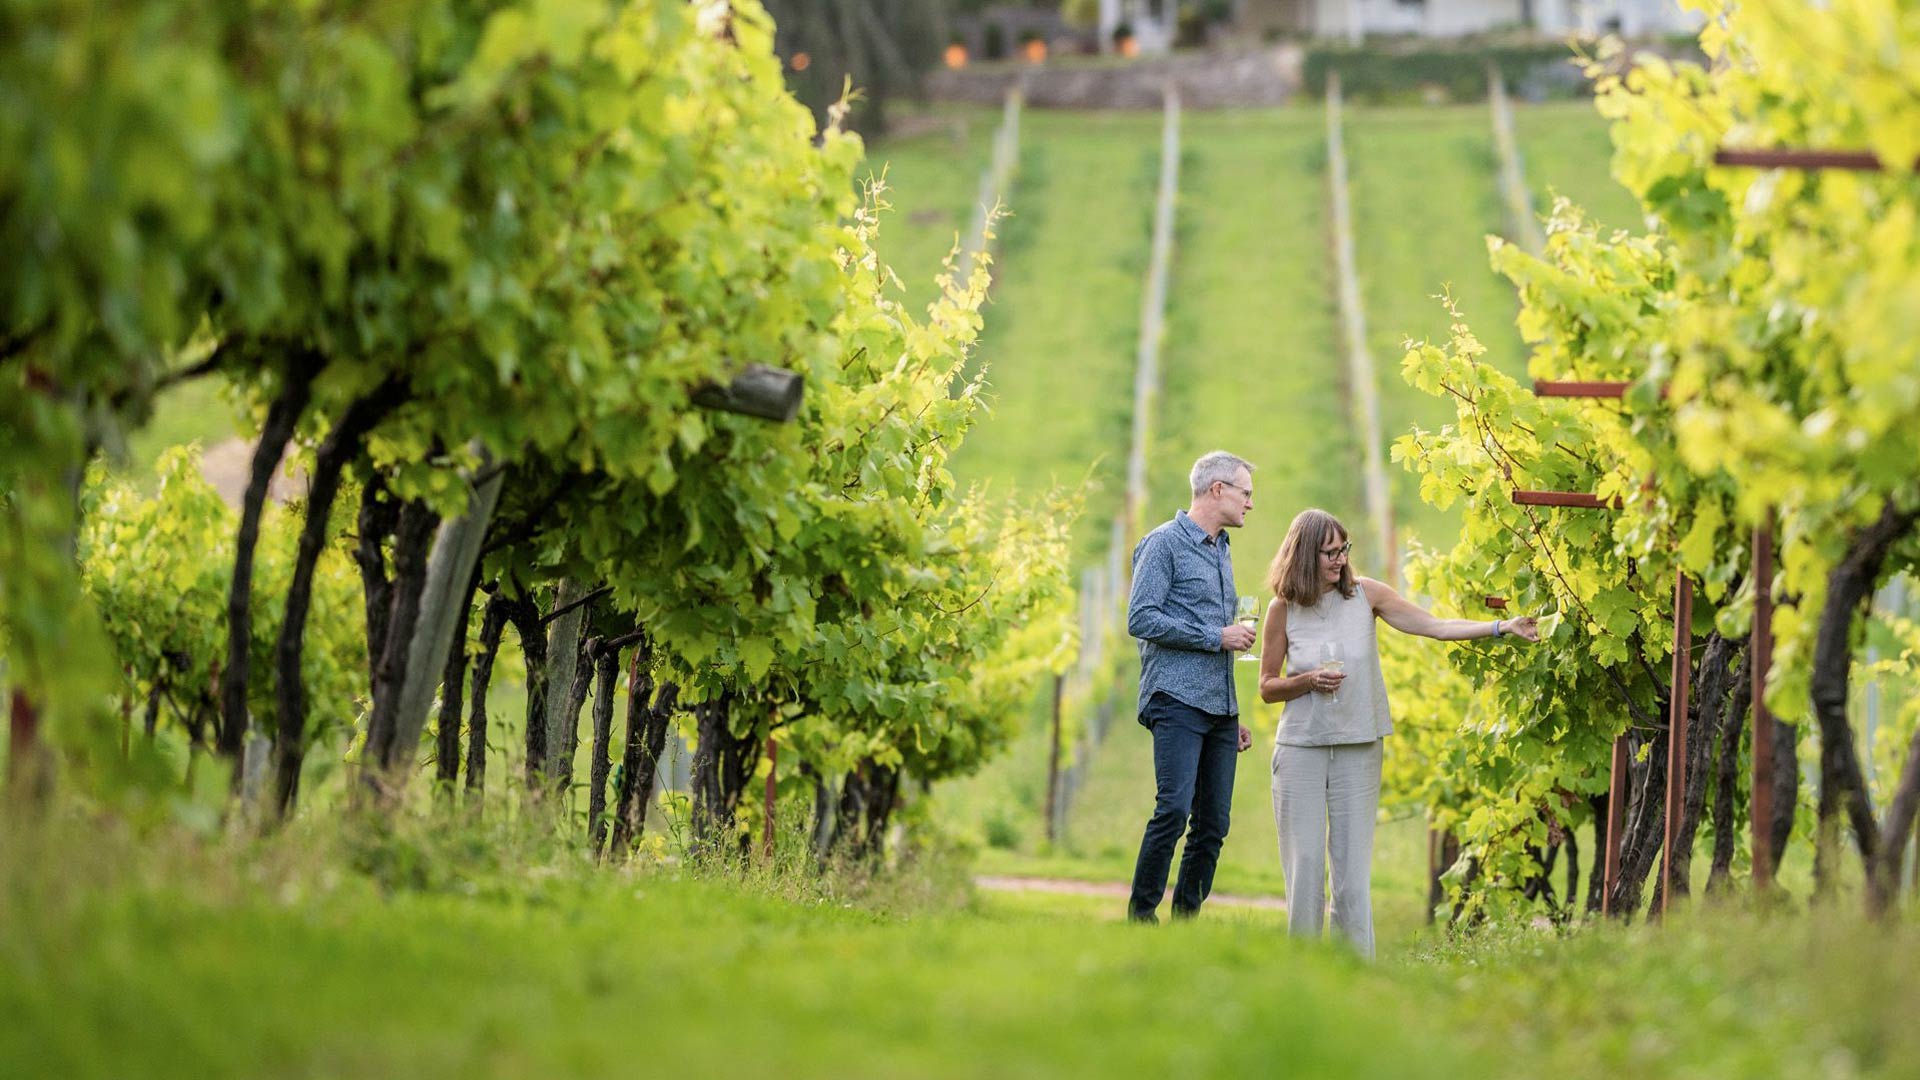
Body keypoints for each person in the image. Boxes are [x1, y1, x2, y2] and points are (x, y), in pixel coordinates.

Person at [1257, 508, 1539, 958]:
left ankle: (1355, 975)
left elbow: (1434, 626)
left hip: (1358, 746)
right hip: (1301, 749)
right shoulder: (1282, 610)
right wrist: (1308, 682)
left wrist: (1500, 627)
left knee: (1351, 875)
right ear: (1305, 555)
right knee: (1305, 867)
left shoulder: (1366, 595)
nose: (1339, 559)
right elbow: (1268, 687)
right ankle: (1304, 971)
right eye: (1329, 552)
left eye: (1343, 549)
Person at [1123, 450, 1258, 923]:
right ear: (1217, 489)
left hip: (1219, 708)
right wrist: (1215, 637)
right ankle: (1141, 919)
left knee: (1213, 826)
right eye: (1246, 493)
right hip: (1175, 697)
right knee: (1174, 809)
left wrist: (1233, 712)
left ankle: (1185, 923)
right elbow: (1141, 618)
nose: (1250, 504)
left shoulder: (1222, 548)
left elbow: (1224, 639)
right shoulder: (1163, 544)